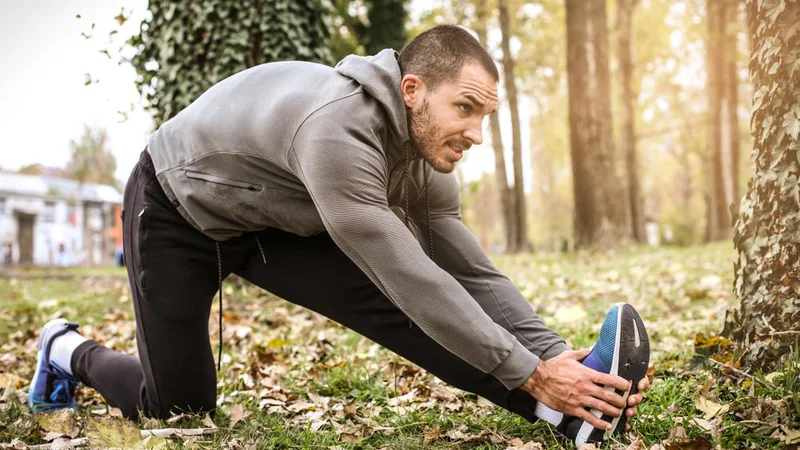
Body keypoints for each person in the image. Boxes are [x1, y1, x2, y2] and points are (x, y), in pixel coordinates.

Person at [28, 25, 650, 446]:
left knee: (402, 309)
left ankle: (567, 414)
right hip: (175, 209)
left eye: (485, 115)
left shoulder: (425, 156)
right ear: (413, 91)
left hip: (274, 217)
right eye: (466, 108)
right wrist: (531, 369)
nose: (477, 133)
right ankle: (66, 350)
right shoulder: (336, 135)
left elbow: (471, 273)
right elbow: (413, 276)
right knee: (179, 408)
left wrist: (561, 362)